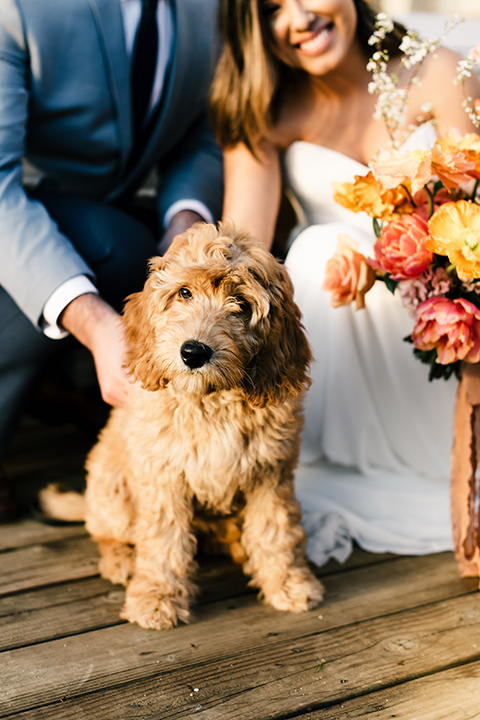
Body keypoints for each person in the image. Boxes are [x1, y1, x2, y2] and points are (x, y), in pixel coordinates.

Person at [209, 0, 480, 565]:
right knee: (310, 251)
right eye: (272, 10)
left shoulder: (440, 73)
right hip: (339, 330)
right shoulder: (266, 113)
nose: (297, 19)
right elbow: (239, 258)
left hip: (445, 331)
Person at [0, 0, 223, 519]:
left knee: (135, 244)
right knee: (115, 243)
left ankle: (58, 384)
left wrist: (183, 223)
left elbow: (203, 133)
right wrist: (97, 324)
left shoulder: (214, 11)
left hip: (120, 213)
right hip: (20, 220)